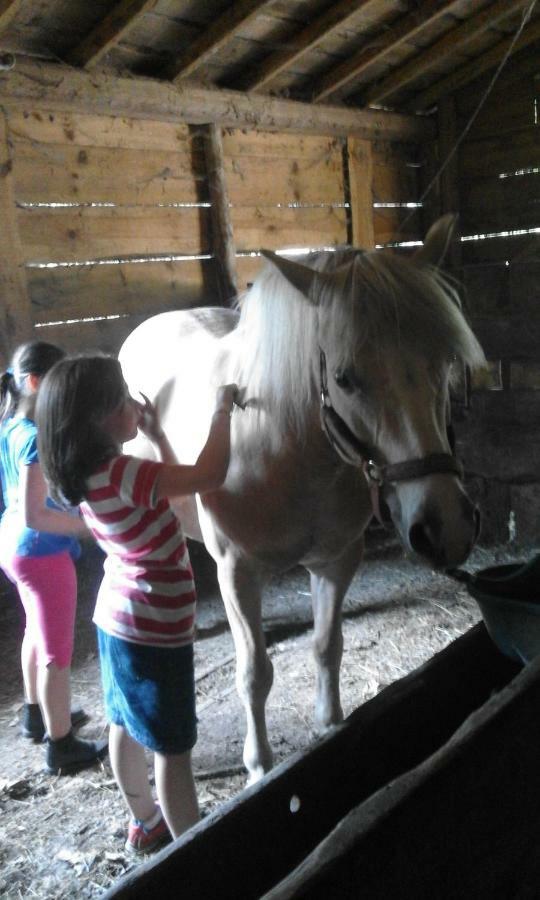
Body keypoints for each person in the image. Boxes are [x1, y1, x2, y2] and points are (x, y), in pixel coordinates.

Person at [36, 354, 237, 854]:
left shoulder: (88, 475)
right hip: (155, 629)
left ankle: (146, 822)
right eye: (125, 398)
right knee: (172, 747)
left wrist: (157, 430)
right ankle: (193, 847)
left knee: (123, 722)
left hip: (116, 618)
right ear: (101, 419)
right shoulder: (126, 473)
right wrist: (221, 411)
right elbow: (209, 474)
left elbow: (170, 486)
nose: (134, 404)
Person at [0, 341, 109, 775]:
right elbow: (37, 514)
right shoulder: (35, 440)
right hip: (40, 552)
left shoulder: (9, 426)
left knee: (35, 633)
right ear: (34, 382)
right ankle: (61, 743)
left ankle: (35, 715)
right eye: (58, 383)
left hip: (13, 546)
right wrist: (86, 527)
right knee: (57, 655)